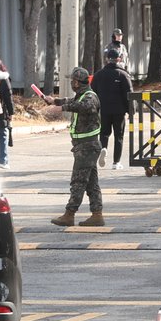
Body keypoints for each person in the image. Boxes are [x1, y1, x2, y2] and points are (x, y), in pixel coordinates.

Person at [48, 66, 105, 227]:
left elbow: (85, 107)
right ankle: (97, 214)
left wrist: (63, 107)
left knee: (78, 182)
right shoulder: (80, 96)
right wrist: (55, 101)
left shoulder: (90, 97)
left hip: (87, 147)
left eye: (72, 80)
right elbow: (71, 101)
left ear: (78, 82)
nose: (71, 83)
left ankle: (69, 214)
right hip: (84, 147)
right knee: (91, 183)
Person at [90, 47, 132, 167]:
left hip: (104, 110)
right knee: (119, 135)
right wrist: (130, 111)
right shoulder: (123, 75)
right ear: (118, 59)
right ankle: (116, 162)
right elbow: (129, 94)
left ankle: (103, 148)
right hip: (119, 111)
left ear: (107, 59)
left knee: (104, 133)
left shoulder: (98, 75)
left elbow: (92, 92)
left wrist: (94, 108)